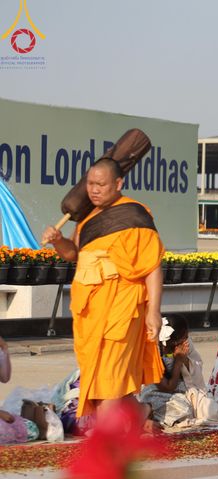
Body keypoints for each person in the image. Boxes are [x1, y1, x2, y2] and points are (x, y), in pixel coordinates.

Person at [41, 158, 164, 419]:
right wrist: (58, 241)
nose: (94, 190)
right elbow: (74, 254)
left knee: (108, 383)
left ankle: (104, 446)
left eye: (101, 184)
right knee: (100, 385)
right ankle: (141, 411)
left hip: (123, 306)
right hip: (90, 310)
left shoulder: (135, 214)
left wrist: (154, 310)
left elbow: (152, 266)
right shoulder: (85, 216)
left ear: (118, 183)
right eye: (90, 184)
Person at [137, 314, 218, 431]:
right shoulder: (154, 354)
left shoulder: (183, 346)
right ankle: (151, 417)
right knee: (182, 410)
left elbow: (196, 368)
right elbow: (168, 387)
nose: (187, 340)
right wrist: (178, 360)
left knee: (212, 410)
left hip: (180, 393)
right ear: (175, 341)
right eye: (185, 337)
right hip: (158, 395)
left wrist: (186, 359)